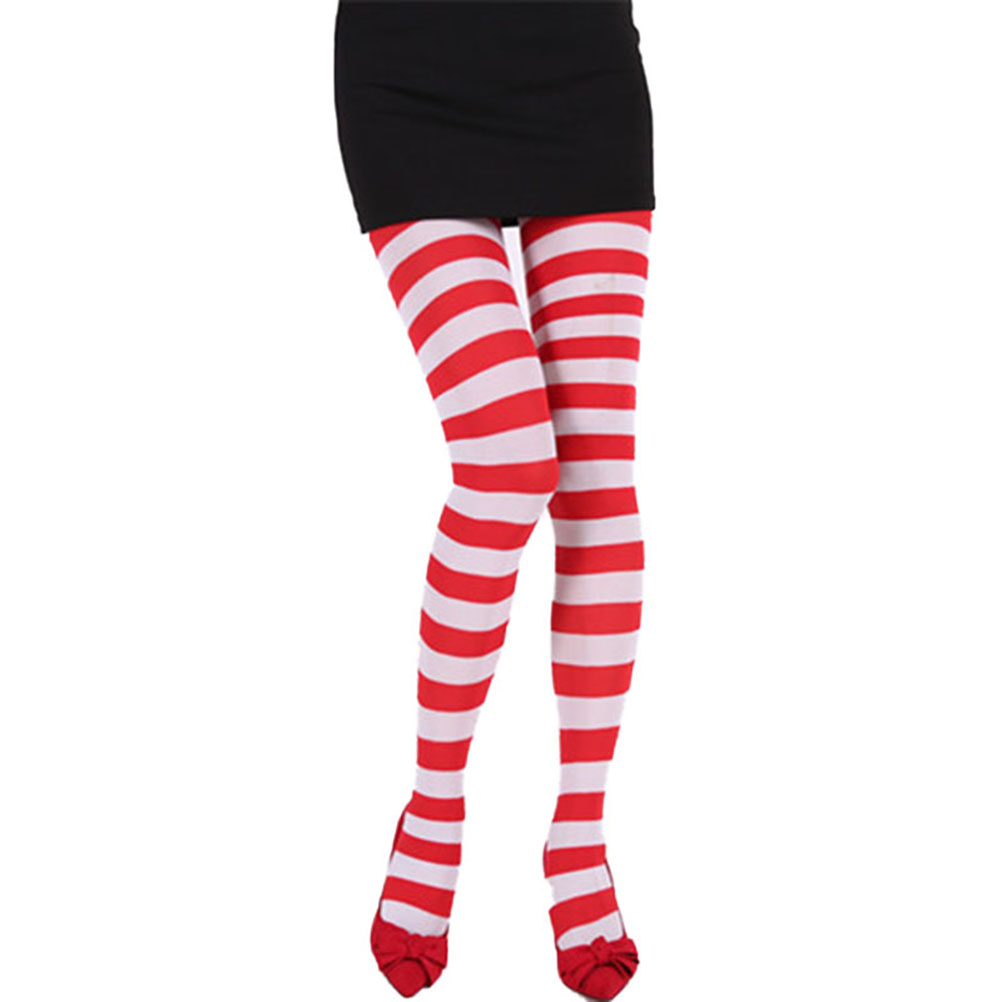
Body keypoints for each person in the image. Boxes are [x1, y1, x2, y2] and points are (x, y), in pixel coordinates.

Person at [333, 2, 655, 997]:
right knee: (508, 457)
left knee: (597, 474)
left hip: (579, 62)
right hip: (408, 67)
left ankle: (579, 832)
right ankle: (434, 808)